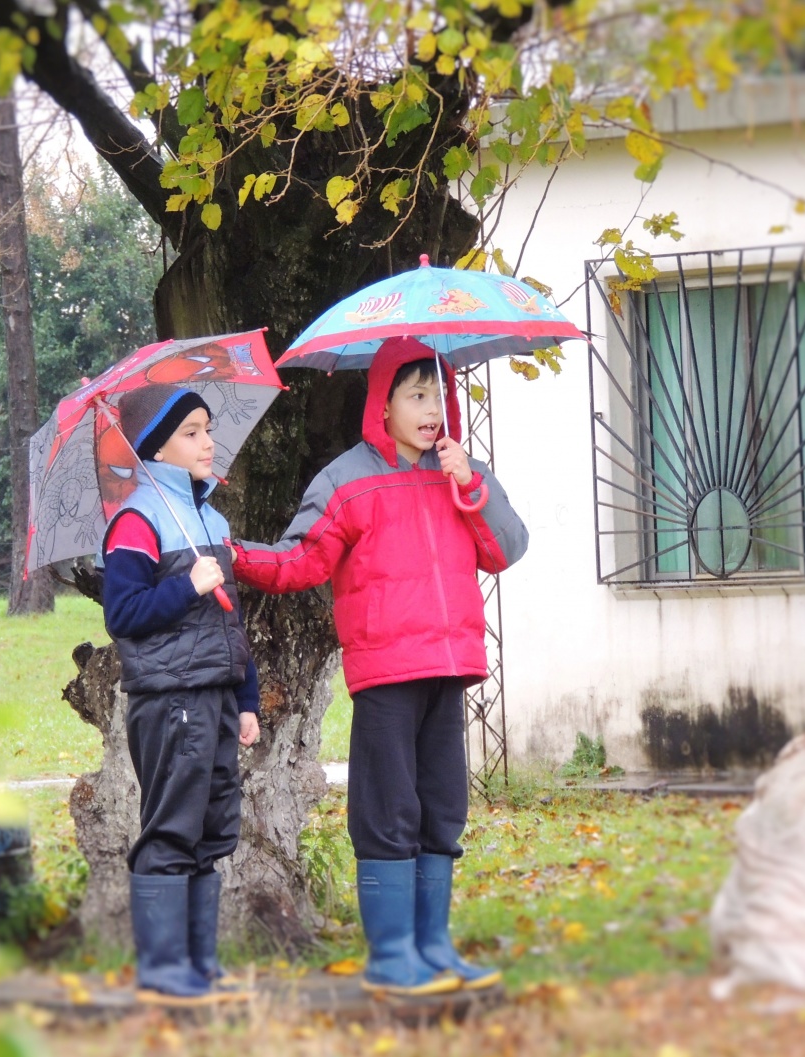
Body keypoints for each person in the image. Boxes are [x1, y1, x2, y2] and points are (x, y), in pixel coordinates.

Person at [231, 336, 528, 996]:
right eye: (417, 394)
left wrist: (470, 482)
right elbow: (299, 561)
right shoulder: (346, 480)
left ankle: (433, 945)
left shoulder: (460, 473)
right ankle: (393, 954)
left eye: (439, 395)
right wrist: (230, 555)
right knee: (387, 809)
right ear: (383, 403)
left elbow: (506, 548)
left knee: (441, 810)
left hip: (449, 667)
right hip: (387, 671)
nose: (432, 409)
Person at [100, 383, 261, 1006]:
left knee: (211, 830)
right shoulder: (136, 521)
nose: (207, 441)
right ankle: (164, 968)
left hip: (216, 699)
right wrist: (189, 585)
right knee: (171, 829)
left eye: (208, 428)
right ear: (155, 448)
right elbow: (124, 612)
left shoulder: (209, 519)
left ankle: (199, 963)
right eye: (191, 431)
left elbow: (231, 623)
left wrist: (245, 700)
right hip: (170, 701)